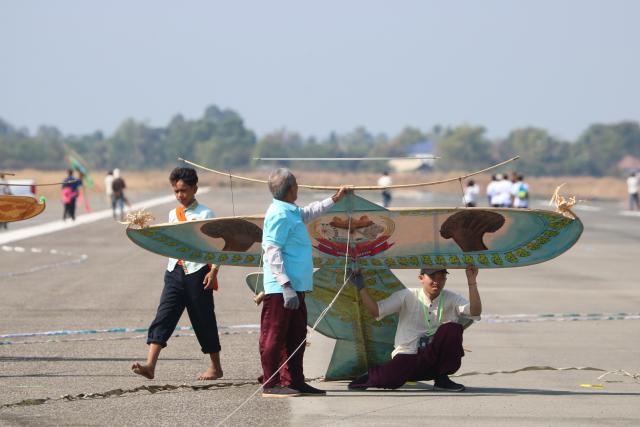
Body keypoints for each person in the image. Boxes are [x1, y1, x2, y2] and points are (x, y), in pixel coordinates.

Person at [260, 168, 349, 397]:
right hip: (282, 289)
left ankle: (294, 380)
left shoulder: (290, 211)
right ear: (292, 189)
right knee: (274, 335)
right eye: (296, 184)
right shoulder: (278, 214)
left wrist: (334, 199)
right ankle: (271, 383)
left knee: (296, 336)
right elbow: (272, 250)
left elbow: (308, 213)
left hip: (297, 287)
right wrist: (285, 284)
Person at [131, 167, 223, 381]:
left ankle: (216, 367)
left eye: (184, 190)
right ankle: (150, 365)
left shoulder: (206, 215)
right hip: (174, 272)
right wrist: (145, 231)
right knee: (164, 316)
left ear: (195, 189)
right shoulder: (173, 214)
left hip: (198, 273)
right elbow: (169, 242)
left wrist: (214, 271)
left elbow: (219, 247)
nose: (180, 195)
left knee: (204, 320)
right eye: (176, 191)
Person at [348, 267, 482, 392]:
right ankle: (370, 375)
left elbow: (475, 311)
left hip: (434, 358)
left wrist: (472, 281)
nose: (437, 282)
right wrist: (361, 287)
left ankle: (442, 378)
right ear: (421, 278)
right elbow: (377, 311)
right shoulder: (407, 295)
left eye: (441, 278)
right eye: (432, 277)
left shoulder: (451, 297)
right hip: (409, 356)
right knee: (384, 379)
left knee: (452, 329)